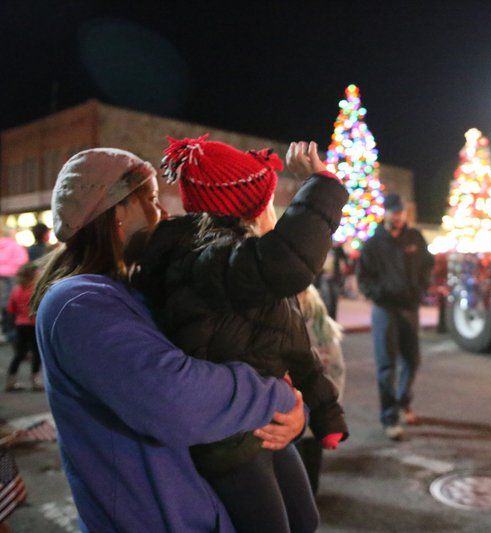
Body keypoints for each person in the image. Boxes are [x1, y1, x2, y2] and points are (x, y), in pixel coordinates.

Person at [32, 147, 306, 532]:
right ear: (113, 213)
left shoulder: (139, 289)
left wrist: (291, 413)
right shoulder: (78, 303)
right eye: (150, 200)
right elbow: (175, 398)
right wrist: (274, 397)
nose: (161, 214)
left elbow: (229, 351)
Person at [133, 136, 348, 532]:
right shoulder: (209, 261)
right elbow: (288, 262)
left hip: (265, 421)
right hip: (228, 438)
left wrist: (325, 411)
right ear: (245, 210)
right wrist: (323, 185)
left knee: (305, 519)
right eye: (264, 200)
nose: (272, 209)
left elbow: (296, 346)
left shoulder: (246, 270)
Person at [357, 193, 434, 440]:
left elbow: (427, 265)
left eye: (402, 212)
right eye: (394, 211)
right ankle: (389, 418)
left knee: (412, 360)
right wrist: (377, 294)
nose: (398, 216)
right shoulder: (373, 243)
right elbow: (364, 277)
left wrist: (421, 289)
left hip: (409, 308)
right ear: (386, 212)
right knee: (386, 365)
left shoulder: (415, 238)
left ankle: (403, 403)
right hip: (385, 309)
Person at [296, 284, 346, 495]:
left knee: (310, 467)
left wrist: (332, 406)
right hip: (294, 412)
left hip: (315, 412)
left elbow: (336, 370)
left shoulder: (322, 329)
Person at [4, 261, 41, 391]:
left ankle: (11, 380)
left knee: (20, 353)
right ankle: (35, 381)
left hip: (20, 324)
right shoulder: (36, 289)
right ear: (33, 274)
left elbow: (10, 309)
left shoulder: (16, 289)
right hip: (34, 323)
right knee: (37, 353)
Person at [0, 225, 28, 344]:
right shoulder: (16, 246)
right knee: (11, 304)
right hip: (12, 277)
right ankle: (10, 332)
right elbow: (23, 261)